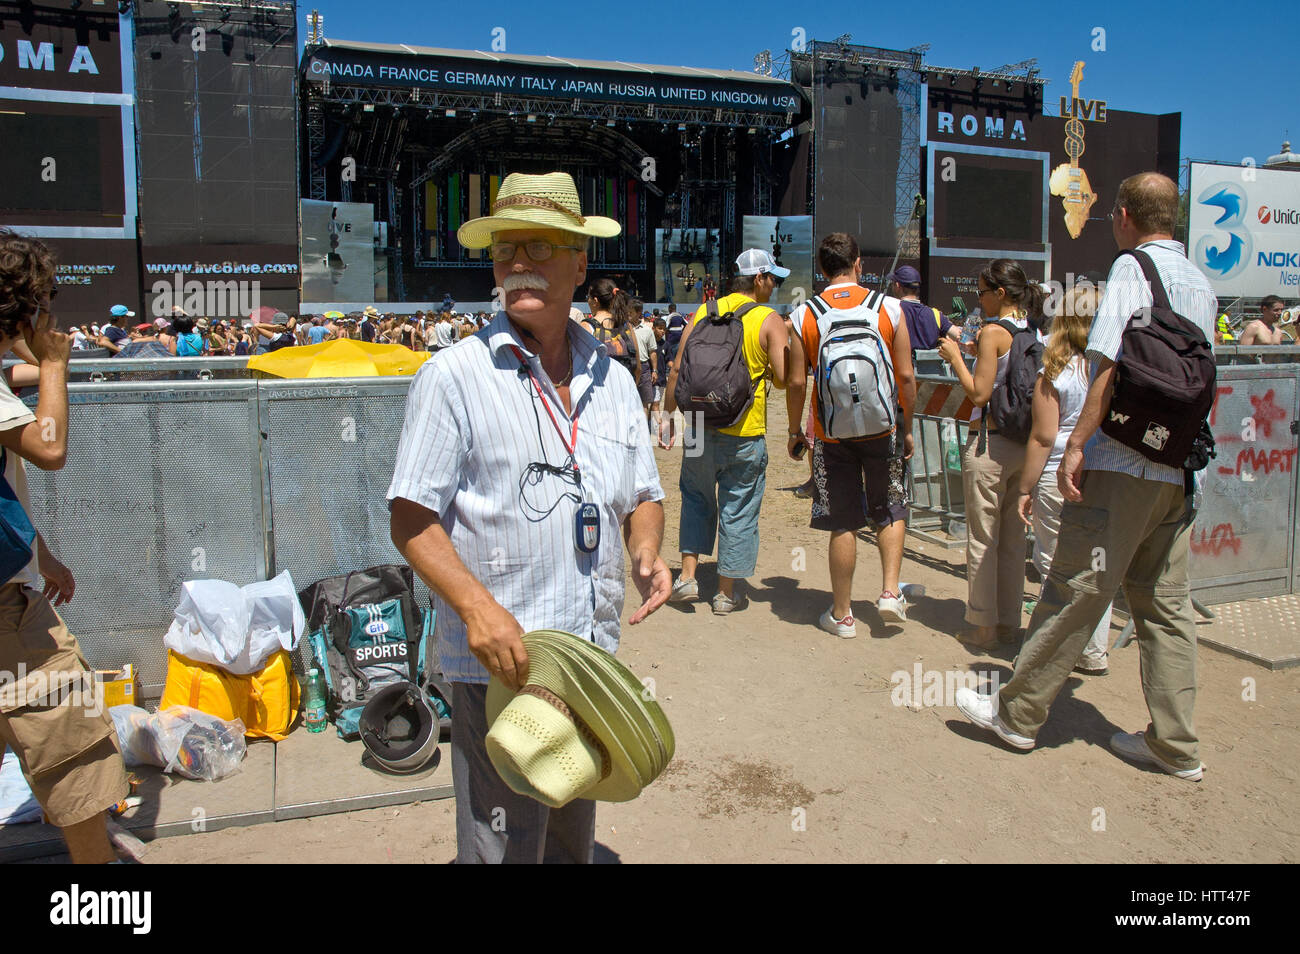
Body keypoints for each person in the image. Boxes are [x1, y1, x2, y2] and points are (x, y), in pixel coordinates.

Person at [387, 171, 671, 863]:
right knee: (502, 851)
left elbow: (643, 493)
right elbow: (410, 517)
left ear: (580, 261)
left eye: (540, 247)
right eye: (506, 247)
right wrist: (478, 612)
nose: (519, 262)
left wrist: (646, 551)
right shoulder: (452, 378)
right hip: (501, 667)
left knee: (571, 841)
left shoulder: (613, 380)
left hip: (587, 660)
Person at [955, 172, 1217, 781]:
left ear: (1124, 214)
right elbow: (1206, 379)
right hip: (1174, 469)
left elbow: (1103, 365)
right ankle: (1176, 746)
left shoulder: (1131, 270)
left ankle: (1017, 716)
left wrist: (1077, 445)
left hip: (1120, 464)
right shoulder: (1201, 284)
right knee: (1167, 608)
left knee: (1073, 587)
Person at [0, 229, 130, 863]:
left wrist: (39, 553)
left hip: (15, 585)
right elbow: (47, 448)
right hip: (10, 625)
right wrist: (53, 362)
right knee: (76, 757)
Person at [786, 233, 916, 635]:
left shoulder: (803, 315)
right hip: (884, 427)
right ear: (858, 263)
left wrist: (795, 431)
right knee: (890, 504)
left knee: (843, 520)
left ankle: (842, 614)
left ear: (821, 270)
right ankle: (890, 592)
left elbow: (795, 383)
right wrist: (907, 427)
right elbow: (907, 375)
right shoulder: (889, 308)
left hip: (831, 434)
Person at [659, 249, 790, 613]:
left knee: (696, 498)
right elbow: (782, 379)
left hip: (699, 427)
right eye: (773, 279)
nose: (775, 286)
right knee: (738, 507)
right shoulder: (768, 319)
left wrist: (667, 417)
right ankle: (726, 593)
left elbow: (676, 370)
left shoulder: (704, 311)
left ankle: (686, 577)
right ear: (759, 279)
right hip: (744, 430)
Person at [937, 259, 1044, 649]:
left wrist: (955, 358)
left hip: (989, 444)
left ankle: (982, 626)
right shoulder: (1032, 331)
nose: (977, 299)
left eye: (981, 292)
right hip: (1023, 446)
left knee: (983, 539)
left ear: (1000, 293)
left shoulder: (992, 332)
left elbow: (979, 393)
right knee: (1015, 542)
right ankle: (1008, 623)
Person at [1015, 284, 1111, 675]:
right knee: (1096, 565)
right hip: (1103, 474)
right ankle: (1092, 651)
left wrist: (1025, 487)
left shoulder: (1055, 372)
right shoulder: (1113, 371)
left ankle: (1048, 650)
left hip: (1059, 475)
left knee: (1053, 563)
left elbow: (1043, 436)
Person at [890, 265, 960, 355]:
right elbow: (959, 336)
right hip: (930, 368)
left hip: (898, 367)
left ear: (897, 285)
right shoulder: (935, 314)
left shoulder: (891, 310)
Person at [628, 298, 658, 427]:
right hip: (627, 367)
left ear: (638, 312)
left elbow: (652, 352)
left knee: (644, 401)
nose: (627, 314)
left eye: (630, 312)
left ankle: (643, 430)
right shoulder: (622, 329)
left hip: (644, 367)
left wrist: (654, 371)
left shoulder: (647, 330)